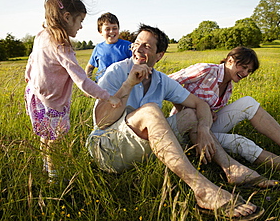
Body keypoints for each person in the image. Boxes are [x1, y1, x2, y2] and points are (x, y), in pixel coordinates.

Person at [86, 24, 266, 219]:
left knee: (191, 113)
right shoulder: (116, 72)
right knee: (151, 111)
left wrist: (204, 129)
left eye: (146, 46)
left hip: (141, 147)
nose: (139, 50)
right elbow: (102, 121)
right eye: (136, 44)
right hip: (108, 148)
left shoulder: (161, 80)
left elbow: (200, 104)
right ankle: (202, 190)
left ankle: (231, 168)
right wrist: (128, 84)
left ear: (159, 55)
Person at [168, 46, 280, 182]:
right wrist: (186, 108)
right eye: (242, 67)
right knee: (241, 142)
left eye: (249, 71)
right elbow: (168, 83)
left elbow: (209, 108)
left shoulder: (228, 87)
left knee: (248, 102)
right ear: (229, 60)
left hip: (206, 127)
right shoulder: (206, 70)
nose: (245, 74)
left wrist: (210, 113)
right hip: (185, 130)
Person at [24, 0, 121, 181]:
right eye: (80, 21)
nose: (81, 26)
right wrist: (107, 96)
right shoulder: (62, 46)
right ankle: (54, 178)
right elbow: (82, 80)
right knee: (55, 141)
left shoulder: (41, 35)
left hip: (35, 95)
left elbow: (31, 60)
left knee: (46, 137)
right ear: (67, 17)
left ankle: (47, 168)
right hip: (53, 102)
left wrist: (29, 78)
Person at [85, 12, 132, 81]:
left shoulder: (127, 46)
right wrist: (88, 83)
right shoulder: (98, 48)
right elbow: (90, 66)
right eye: (107, 29)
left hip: (122, 85)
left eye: (114, 28)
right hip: (102, 85)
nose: (111, 31)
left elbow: (137, 63)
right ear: (100, 32)